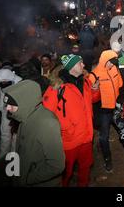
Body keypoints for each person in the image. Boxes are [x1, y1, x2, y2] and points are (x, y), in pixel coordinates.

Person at [42, 54, 100, 187]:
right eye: (80, 63)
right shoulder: (56, 87)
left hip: (86, 135)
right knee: (65, 173)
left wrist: (95, 90)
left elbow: (91, 100)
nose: (84, 65)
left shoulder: (85, 81)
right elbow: (46, 114)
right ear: (72, 67)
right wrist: (65, 127)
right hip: (69, 140)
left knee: (85, 168)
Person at [4, 80, 65, 187]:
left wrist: (27, 178)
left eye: (11, 104)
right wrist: (14, 173)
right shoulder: (24, 116)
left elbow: (56, 165)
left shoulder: (47, 123)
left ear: (25, 102)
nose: (7, 108)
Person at [88, 50, 123, 172]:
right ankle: (108, 160)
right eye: (110, 63)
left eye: (114, 63)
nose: (112, 65)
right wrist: (93, 90)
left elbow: (120, 84)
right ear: (104, 61)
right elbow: (88, 97)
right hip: (103, 111)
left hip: (116, 107)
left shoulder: (114, 69)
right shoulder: (93, 75)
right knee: (104, 137)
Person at [0, 68, 22, 160]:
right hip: (6, 110)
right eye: (1, 82)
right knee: (4, 131)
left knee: (15, 134)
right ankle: (4, 152)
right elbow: (2, 94)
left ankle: (13, 155)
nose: (2, 84)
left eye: (4, 81)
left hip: (17, 111)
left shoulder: (20, 82)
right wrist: (1, 109)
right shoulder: (3, 82)